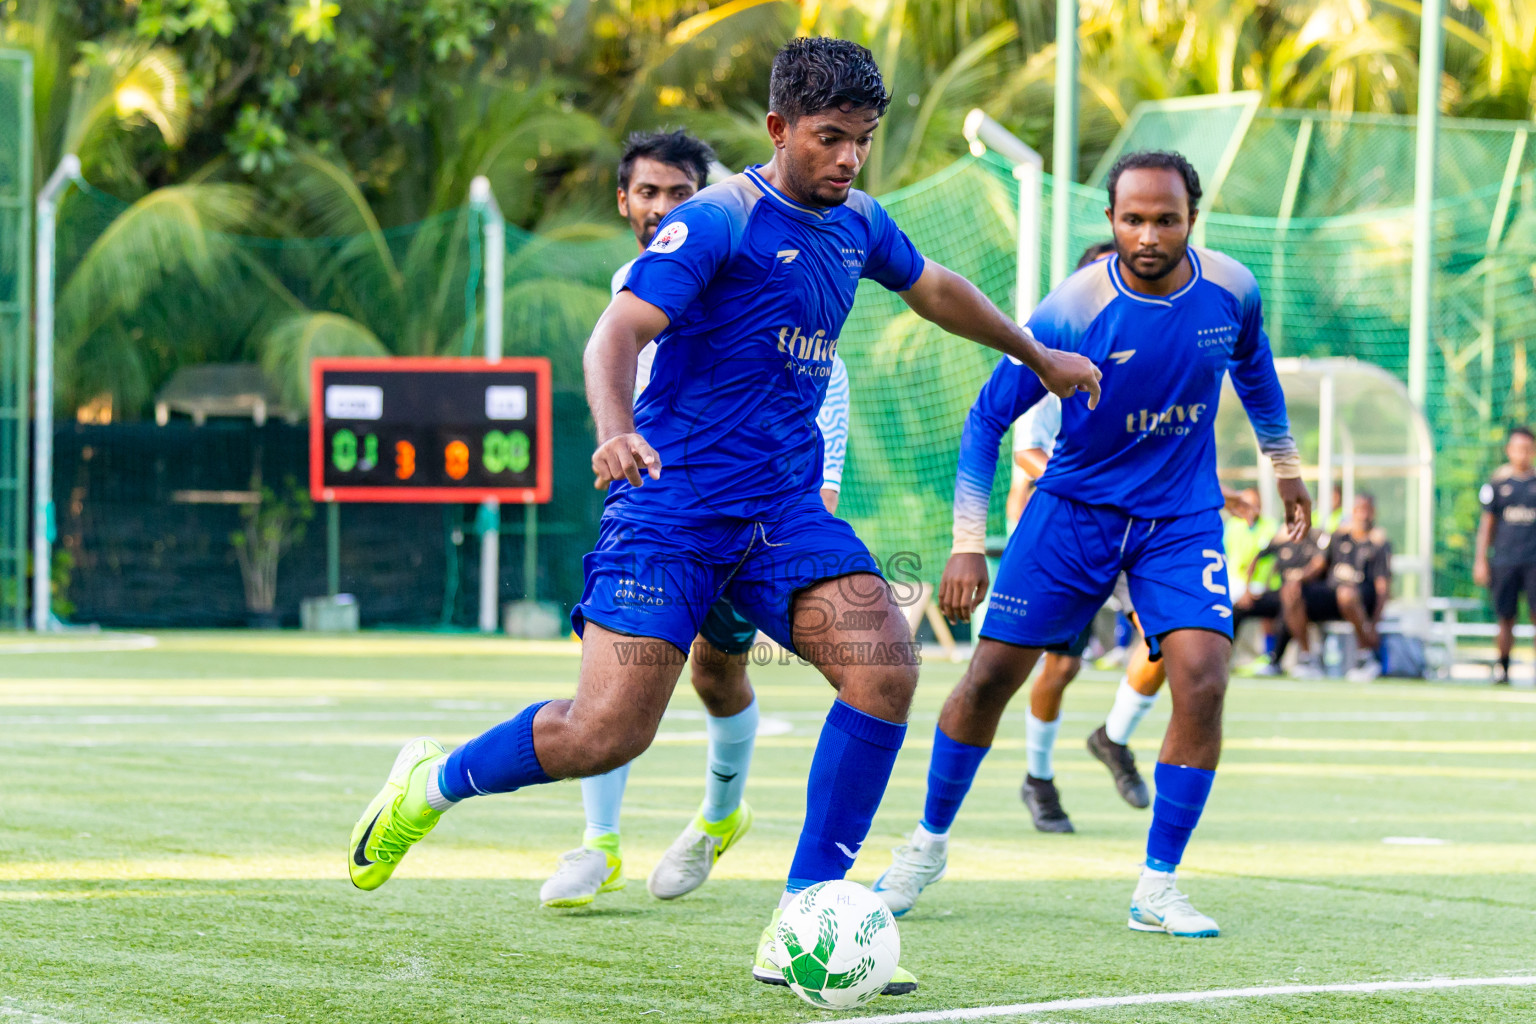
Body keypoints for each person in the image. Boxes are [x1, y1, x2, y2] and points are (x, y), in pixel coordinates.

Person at [345, 36, 1101, 999]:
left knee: (883, 665)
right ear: (780, 128)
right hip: (670, 512)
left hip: (781, 512)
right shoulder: (717, 221)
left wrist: (1036, 355)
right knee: (605, 733)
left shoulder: (860, 222)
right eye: (829, 138)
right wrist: (614, 431)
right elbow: (616, 331)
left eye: (863, 139)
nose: (849, 159)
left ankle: (803, 920)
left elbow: (937, 289)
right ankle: (433, 781)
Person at [870, 149, 1310, 939]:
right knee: (989, 679)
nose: (1149, 235)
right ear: (1111, 220)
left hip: (1180, 519)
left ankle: (1158, 886)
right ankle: (925, 846)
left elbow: (1257, 374)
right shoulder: (1072, 308)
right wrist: (967, 542)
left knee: (1204, 679)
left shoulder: (1233, 289)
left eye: (1166, 219)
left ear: (1193, 219)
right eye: (1133, 219)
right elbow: (987, 417)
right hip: (1072, 514)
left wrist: (1287, 470)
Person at [540, 128, 850, 909]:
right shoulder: (632, 288)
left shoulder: (750, 256)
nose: (663, 207)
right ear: (623, 201)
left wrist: (819, 489)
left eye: (680, 192)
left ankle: (719, 818)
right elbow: (618, 365)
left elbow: (819, 367)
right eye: (648, 192)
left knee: (718, 673)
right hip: (657, 511)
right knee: (616, 677)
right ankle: (598, 843)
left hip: (748, 511)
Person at [1282, 493, 1392, 681]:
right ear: (1352, 512)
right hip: (1331, 596)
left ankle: (1364, 657)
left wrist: (1375, 623)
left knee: (1346, 594)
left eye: (1366, 510)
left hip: (1360, 599)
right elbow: (1318, 564)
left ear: (1374, 513)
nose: (1362, 515)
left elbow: (1383, 587)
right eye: (1358, 510)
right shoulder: (1338, 537)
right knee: (1290, 592)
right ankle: (1308, 659)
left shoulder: (1378, 544)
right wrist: (1298, 579)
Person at [1475, 426, 1536, 685]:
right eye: (1517, 448)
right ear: (1509, 450)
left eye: (1527, 449)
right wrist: (1481, 560)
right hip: (1504, 561)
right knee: (1505, 617)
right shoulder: (1498, 484)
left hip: (1533, 562)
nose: (1522, 453)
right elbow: (1487, 525)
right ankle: (1503, 669)